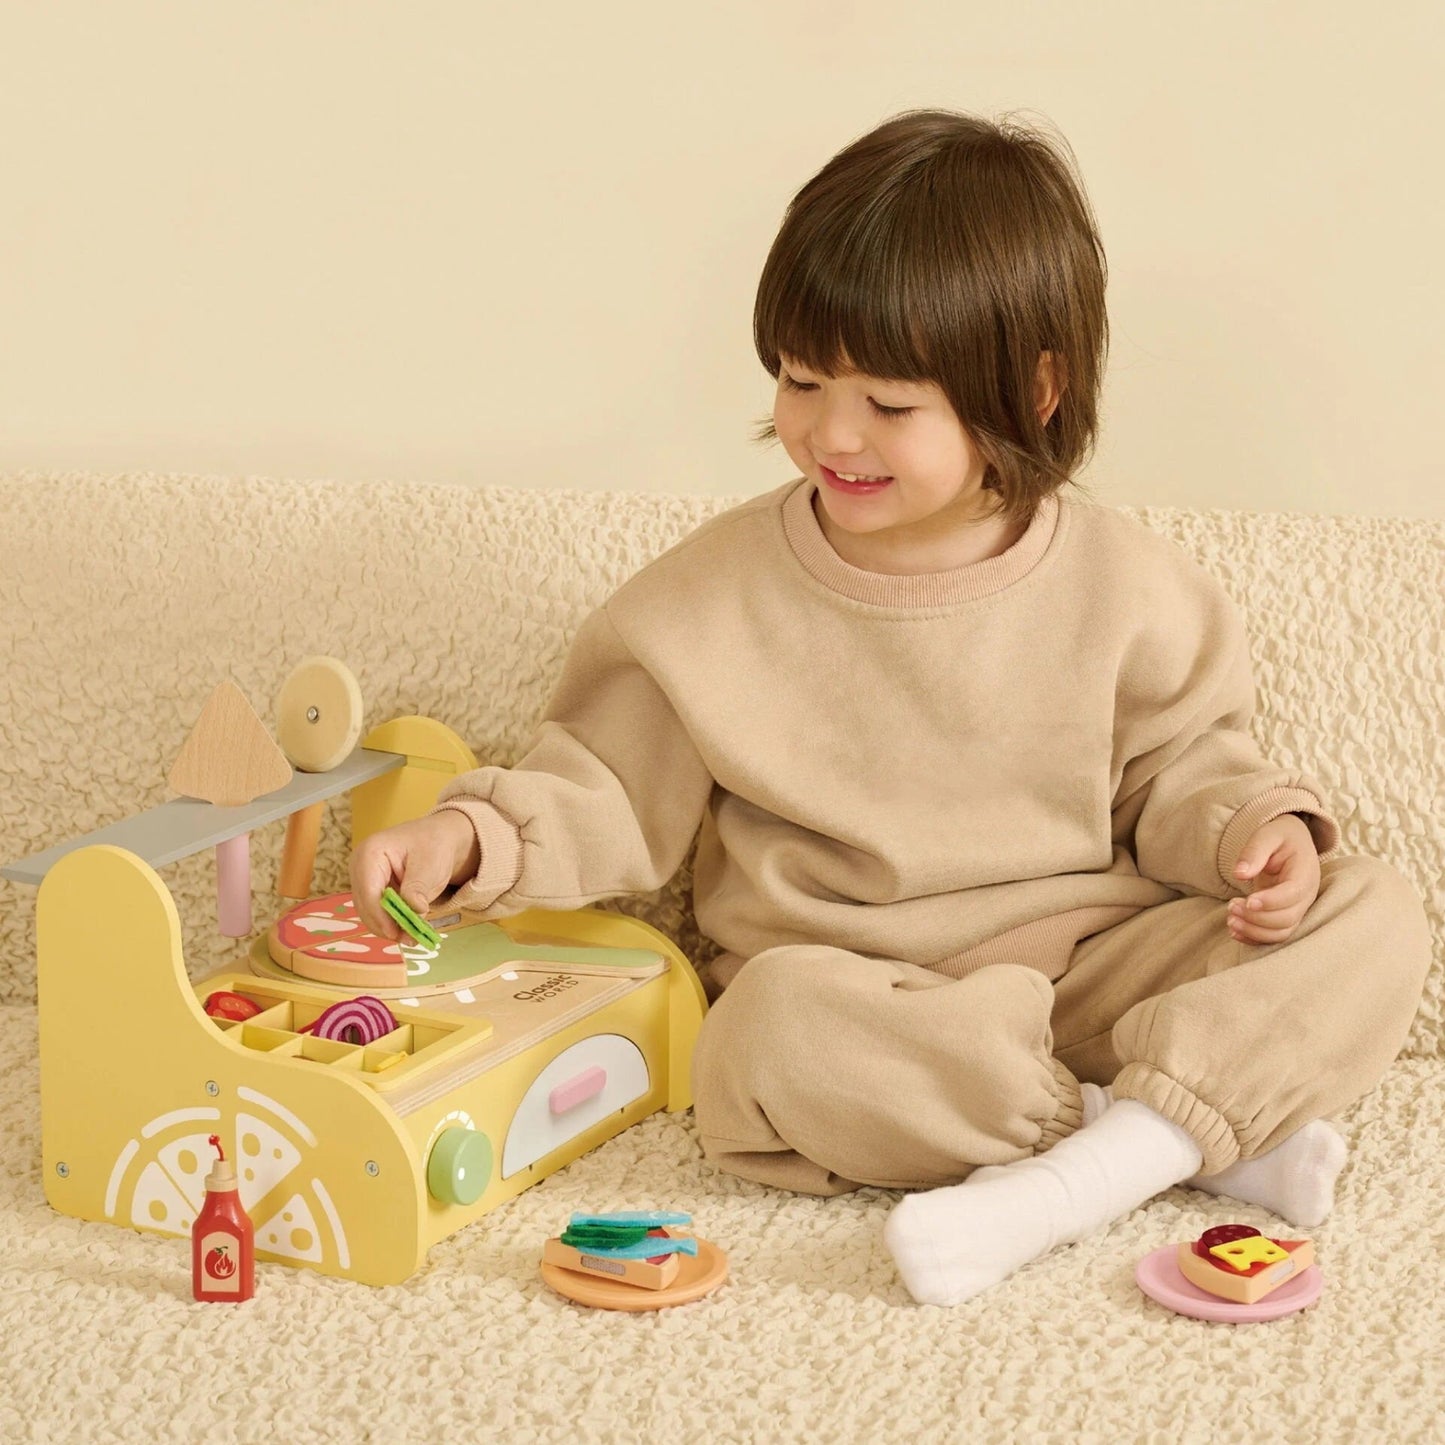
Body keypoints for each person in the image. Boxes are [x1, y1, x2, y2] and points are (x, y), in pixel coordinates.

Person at [349, 109, 1432, 1306]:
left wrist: (1250, 834)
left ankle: (1109, 1152)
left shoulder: (1127, 586)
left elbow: (1179, 769)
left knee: (1375, 911)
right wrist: (473, 835)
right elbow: (601, 781)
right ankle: (1154, 1140)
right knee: (761, 1029)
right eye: (803, 380)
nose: (830, 431)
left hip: (1095, 975)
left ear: (1032, 389)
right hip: (869, 1001)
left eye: (889, 402)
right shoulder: (705, 599)